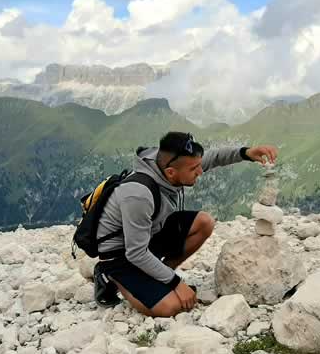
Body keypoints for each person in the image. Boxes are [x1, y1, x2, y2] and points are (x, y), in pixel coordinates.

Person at [94, 131, 278, 317]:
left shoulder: (173, 161)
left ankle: (161, 277)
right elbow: (136, 252)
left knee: (204, 222)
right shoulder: (137, 194)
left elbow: (213, 157)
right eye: (194, 169)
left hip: (149, 234)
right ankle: (109, 277)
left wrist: (246, 153)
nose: (200, 171)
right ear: (171, 173)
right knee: (171, 307)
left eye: (199, 166)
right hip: (120, 254)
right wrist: (177, 284)